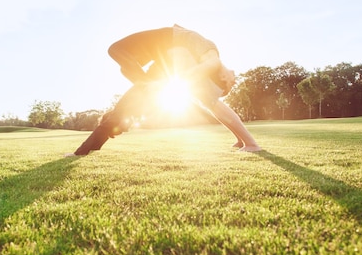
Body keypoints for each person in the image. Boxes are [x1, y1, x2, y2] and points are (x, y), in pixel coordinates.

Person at [68, 24, 262, 156]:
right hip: (164, 58)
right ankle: (244, 141)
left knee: (208, 101)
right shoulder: (208, 50)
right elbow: (214, 63)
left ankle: (250, 144)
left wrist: (156, 84)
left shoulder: (200, 53)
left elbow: (212, 65)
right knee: (124, 104)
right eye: (226, 81)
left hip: (166, 59)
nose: (229, 80)